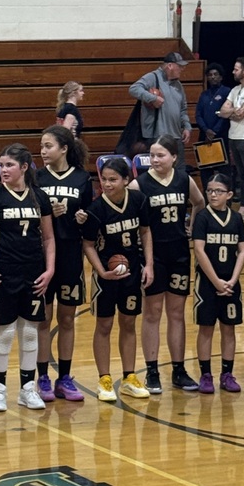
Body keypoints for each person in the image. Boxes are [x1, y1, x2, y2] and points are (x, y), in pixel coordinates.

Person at [0, 143, 55, 412]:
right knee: (5, 333)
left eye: (9, 165)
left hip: (34, 272)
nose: (3, 170)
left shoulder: (39, 197)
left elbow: (49, 238)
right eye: (1, 165)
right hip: (3, 272)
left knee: (29, 332)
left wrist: (50, 270)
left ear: (24, 167)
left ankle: (27, 388)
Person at [131, 134, 204, 393]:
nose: (154, 159)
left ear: (174, 157)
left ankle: (179, 370)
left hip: (179, 253)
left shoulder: (184, 180)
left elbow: (199, 202)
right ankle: (152, 371)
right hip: (153, 256)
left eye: (160, 155)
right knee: (152, 313)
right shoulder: (139, 184)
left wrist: (191, 226)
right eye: (152, 155)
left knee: (176, 313)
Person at [82, 157, 153, 402]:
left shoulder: (138, 200)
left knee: (129, 323)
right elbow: (88, 245)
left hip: (131, 273)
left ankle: (129, 377)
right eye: (104, 179)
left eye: (113, 179)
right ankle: (104, 379)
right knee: (104, 325)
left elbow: (145, 231)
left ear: (126, 180)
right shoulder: (96, 209)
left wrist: (149, 265)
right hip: (106, 276)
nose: (107, 184)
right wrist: (102, 271)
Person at [36, 125, 93, 401]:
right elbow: (29, 215)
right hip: (43, 256)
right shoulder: (37, 177)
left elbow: (89, 214)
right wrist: (47, 214)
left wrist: (83, 217)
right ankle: (42, 377)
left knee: (67, 318)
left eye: (48, 146)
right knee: (43, 319)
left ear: (64, 149)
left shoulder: (82, 178)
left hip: (71, 253)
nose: (43, 151)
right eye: (42, 146)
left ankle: (65, 378)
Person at [193, 172, 244, 394]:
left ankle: (227, 374)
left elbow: (242, 250)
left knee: (229, 328)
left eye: (218, 191)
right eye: (209, 191)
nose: (213, 195)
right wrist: (216, 281)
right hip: (207, 283)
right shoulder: (203, 217)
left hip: (230, 283)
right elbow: (199, 250)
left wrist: (233, 280)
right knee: (206, 328)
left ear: (230, 194)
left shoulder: (236, 219)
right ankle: (206, 375)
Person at [217, 57, 244, 222]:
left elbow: (240, 114)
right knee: (240, 174)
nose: (233, 72)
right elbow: (223, 110)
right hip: (234, 136)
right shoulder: (235, 90)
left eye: (236, 69)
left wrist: (230, 112)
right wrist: (232, 112)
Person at [129, 53, 192, 168]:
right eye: (179, 66)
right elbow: (134, 89)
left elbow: (183, 109)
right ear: (170, 66)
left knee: (180, 171)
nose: (182, 69)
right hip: (157, 136)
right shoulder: (153, 77)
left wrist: (187, 126)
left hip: (176, 137)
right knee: (159, 170)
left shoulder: (178, 85)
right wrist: (153, 98)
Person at [194, 63, 231, 190]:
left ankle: (226, 197)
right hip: (205, 137)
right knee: (205, 171)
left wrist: (214, 131)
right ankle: (207, 197)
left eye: (215, 74)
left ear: (221, 77)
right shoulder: (204, 94)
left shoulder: (227, 92)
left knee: (224, 170)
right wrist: (206, 130)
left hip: (220, 136)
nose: (213, 77)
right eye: (210, 75)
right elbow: (198, 115)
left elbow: (225, 115)